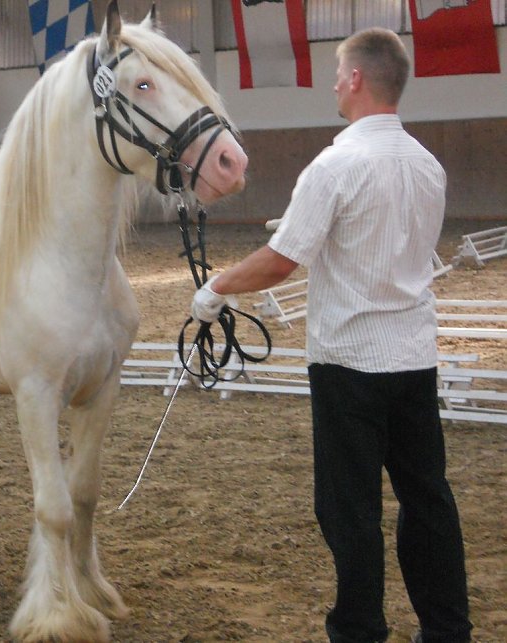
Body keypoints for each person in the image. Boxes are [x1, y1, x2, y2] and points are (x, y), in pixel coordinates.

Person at [191, 28, 472, 643]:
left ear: (353, 80)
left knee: (350, 511)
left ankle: (359, 629)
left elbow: (279, 261)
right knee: (427, 500)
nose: (332, 83)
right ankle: (448, 629)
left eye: (337, 73)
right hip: (413, 358)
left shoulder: (336, 163)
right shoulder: (428, 164)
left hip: (349, 364)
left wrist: (215, 289)